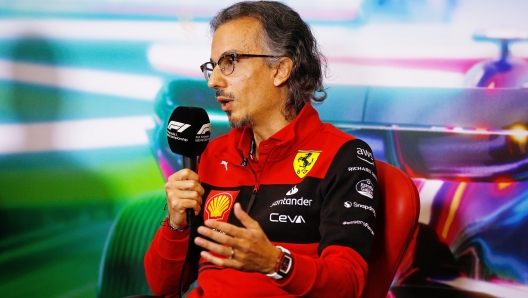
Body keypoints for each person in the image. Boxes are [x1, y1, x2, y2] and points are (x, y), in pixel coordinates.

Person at [144, 1, 379, 297]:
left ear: (280, 69)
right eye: (212, 66)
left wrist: (275, 263)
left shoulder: (344, 155)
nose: (214, 81)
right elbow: (164, 286)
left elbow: (348, 284)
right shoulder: (214, 154)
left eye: (230, 61)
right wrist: (176, 225)